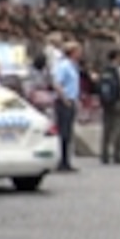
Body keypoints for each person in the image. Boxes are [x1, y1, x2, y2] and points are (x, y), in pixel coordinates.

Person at [51, 42, 82, 173]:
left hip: (72, 100)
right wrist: (64, 98)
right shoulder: (63, 66)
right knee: (63, 132)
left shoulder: (73, 66)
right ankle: (61, 160)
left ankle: (66, 160)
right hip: (65, 101)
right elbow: (57, 83)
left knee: (68, 132)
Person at [99, 49, 120, 165]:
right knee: (119, 128)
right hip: (119, 101)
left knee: (106, 128)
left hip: (106, 103)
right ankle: (117, 154)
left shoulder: (104, 70)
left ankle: (104, 154)